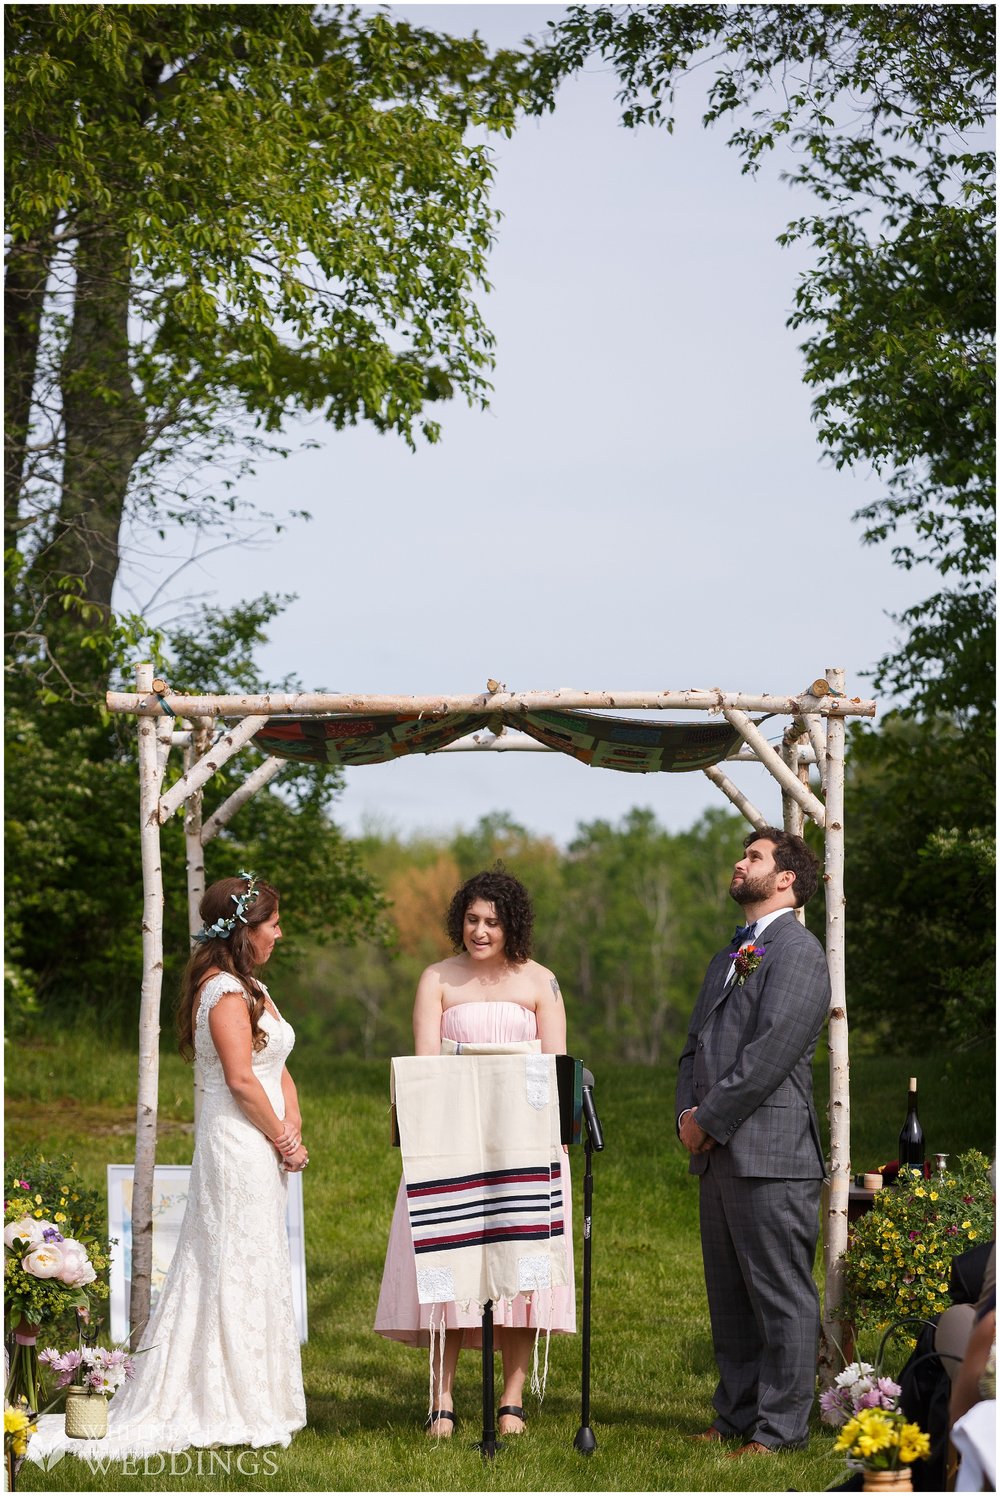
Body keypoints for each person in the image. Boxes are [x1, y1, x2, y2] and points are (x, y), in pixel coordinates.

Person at [28, 871, 307, 1463]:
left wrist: (294, 1126)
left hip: (263, 1144)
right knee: (232, 1259)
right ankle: (223, 1397)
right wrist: (282, 1138)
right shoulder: (224, 993)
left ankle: (258, 1392)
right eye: (273, 924)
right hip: (238, 1144)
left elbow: (274, 1065)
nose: (280, 934)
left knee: (253, 1258)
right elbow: (239, 1081)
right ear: (244, 930)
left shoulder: (251, 986)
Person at [374, 868, 575, 1437]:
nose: (480, 931)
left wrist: (551, 1137)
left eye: (492, 922)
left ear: (512, 925)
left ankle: (511, 1400)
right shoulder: (437, 978)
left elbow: (555, 1070)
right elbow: (424, 1072)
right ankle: (442, 1399)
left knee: (519, 1265)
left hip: (521, 1143)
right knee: (448, 1262)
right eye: (471, 920)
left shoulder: (541, 982)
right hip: (452, 1145)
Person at [676, 827, 830, 1456]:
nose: (740, 864)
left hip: (773, 1156)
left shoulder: (800, 953)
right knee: (731, 1301)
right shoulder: (728, 956)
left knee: (781, 1299)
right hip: (719, 1157)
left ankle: (781, 1430)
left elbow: (769, 1056)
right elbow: (696, 1048)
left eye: (755, 857)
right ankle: (734, 1416)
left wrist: (708, 1119)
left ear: (787, 878)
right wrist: (687, 1113)